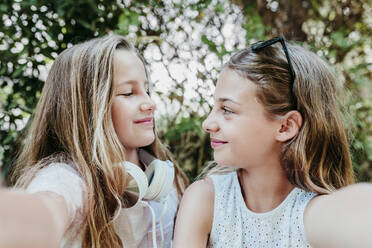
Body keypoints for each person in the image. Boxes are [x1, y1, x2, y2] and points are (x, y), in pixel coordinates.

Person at [173, 36, 372, 247]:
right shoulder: (207, 200)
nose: (207, 124)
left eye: (227, 110)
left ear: (285, 126)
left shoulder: (311, 213)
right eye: (215, 107)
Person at [0, 34, 188, 248]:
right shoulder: (67, 181)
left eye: (146, 90)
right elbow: (43, 212)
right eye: (128, 93)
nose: (150, 103)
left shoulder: (164, 176)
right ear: (88, 111)